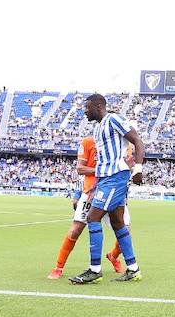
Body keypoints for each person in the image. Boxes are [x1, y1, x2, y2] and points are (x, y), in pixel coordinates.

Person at [69, 94, 146, 284]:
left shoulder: (114, 119)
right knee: (118, 222)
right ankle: (133, 269)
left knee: (93, 218)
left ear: (98, 105)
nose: (85, 111)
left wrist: (138, 168)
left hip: (116, 178)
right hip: (106, 179)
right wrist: (96, 184)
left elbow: (137, 140)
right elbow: (105, 160)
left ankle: (95, 270)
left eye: (87, 107)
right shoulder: (97, 128)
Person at [52, 136, 128, 278]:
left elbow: (125, 168)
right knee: (75, 230)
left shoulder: (123, 142)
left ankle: (113, 256)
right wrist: (78, 192)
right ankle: (58, 267)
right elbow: (80, 169)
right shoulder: (88, 142)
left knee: (125, 230)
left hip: (114, 192)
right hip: (90, 192)